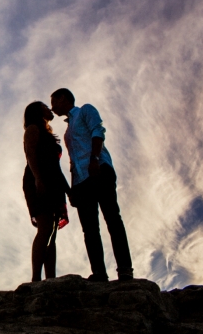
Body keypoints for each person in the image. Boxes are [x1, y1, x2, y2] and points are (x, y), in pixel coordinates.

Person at [50, 88, 133, 282]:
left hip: (99, 170)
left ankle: (125, 270)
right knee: (89, 229)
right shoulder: (68, 132)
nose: (52, 107)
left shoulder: (85, 110)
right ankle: (99, 273)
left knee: (112, 218)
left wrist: (95, 158)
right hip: (81, 182)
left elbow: (98, 132)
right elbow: (72, 162)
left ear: (63, 98)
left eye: (54, 102)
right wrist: (73, 189)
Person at [22, 101, 70, 282]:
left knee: (52, 231)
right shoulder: (33, 129)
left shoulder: (48, 134)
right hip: (39, 179)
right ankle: (36, 279)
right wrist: (38, 179)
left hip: (53, 181)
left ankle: (51, 279)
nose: (49, 109)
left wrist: (67, 190)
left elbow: (56, 167)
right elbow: (30, 155)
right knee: (45, 227)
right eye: (44, 106)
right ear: (37, 111)